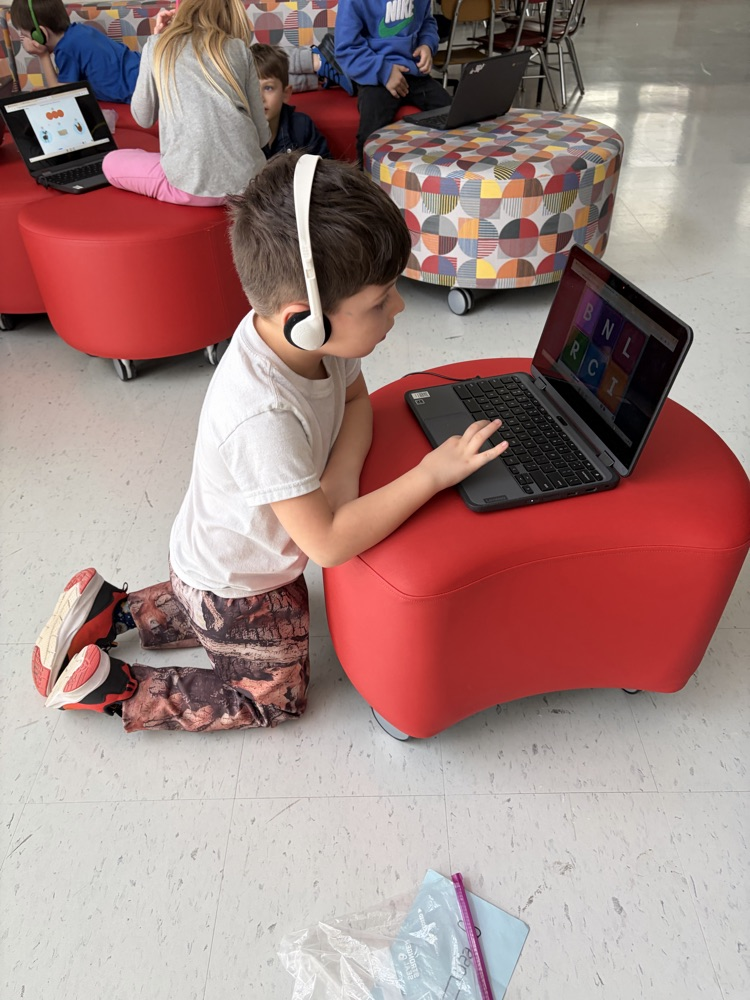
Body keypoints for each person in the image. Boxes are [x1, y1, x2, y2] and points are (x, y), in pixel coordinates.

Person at [32, 153, 507, 732]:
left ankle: (115, 608)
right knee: (278, 701)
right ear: (303, 318)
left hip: (215, 561)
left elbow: (356, 403)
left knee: (211, 606)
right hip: (239, 586)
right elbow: (328, 543)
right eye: (380, 301)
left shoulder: (307, 344)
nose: (399, 307)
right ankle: (118, 689)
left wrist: (338, 483)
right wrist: (431, 474)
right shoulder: (263, 414)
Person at [101, 0, 269, 206]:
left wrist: (156, 38)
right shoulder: (240, 49)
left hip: (187, 188)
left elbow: (143, 117)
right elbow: (262, 137)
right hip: (250, 184)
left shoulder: (157, 45)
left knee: (110, 162)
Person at [333, 0, 452, 163]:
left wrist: (427, 44)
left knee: (451, 114)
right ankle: (366, 182)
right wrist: (384, 71)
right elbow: (346, 48)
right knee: (370, 135)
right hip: (376, 77)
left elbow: (427, 22)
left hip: (414, 73)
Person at [8, 0, 168, 103]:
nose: (24, 41)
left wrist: (42, 55)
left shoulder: (66, 49)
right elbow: (70, 85)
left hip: (142, 89)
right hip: (148, 70)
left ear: (40, 33)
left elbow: (63, 94)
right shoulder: (80, 30)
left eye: (24, 36)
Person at [250, 44, 331, 159]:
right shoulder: (239, 132)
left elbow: (325, 170)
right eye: (252, 89)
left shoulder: (302, 126)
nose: (260, 98)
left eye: (268, 88)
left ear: (285, 93)